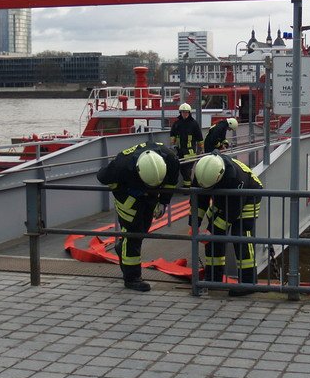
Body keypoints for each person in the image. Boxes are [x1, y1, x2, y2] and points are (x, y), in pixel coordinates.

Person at [96, 141, 180, 292]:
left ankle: (122, 248)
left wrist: (163, 202)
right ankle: (132, 278)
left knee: (141, 232)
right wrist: (125, 192)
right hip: (128, 199)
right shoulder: (121, 165)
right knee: (133, 234)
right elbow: (102, 177)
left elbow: (171, 183)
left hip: (149, 198)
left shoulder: (171, 160)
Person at [192, 153, 262, 296]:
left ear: (219, 177)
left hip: (248, 197)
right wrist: (194, 224)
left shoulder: (237, 179)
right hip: (222, 199)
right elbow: (199, 200)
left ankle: (248, 283)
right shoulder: (202, 173)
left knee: (241, 237)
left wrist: (214, 231)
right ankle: (213, 278)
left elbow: (232, 211)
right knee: (212, 241)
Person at [170, 102, 203, 186]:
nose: (185, 114)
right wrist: (173, 142)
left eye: (186, 112)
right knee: (181, 169)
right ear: (180, 113)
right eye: (183, 112)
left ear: (189, 113)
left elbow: (199, 137)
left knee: (187, 170)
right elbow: (172, 133)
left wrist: (201, 149)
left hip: (190, 151)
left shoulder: (194, 124)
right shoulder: (177, 124)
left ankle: (188, 187)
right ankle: (189, 185)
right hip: (180, 151)